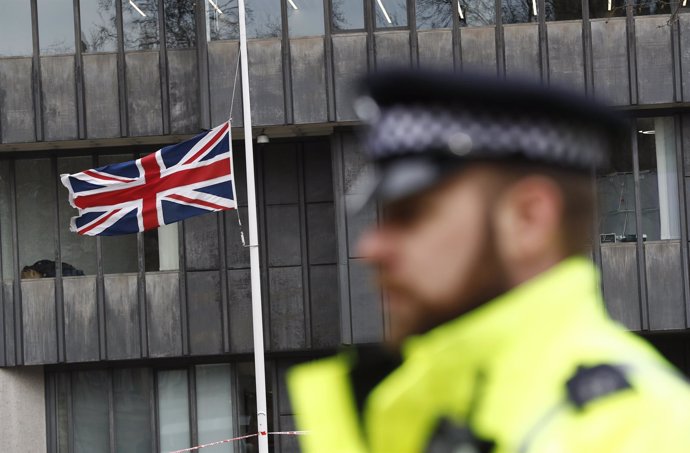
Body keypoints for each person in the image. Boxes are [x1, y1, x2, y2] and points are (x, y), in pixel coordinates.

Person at [287, 69, 690, 453]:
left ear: (529, 219)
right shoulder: (421, 407)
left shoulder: (635, 429)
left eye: (410, 214)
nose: (373, 247)